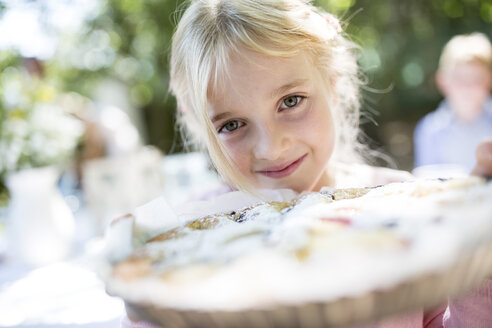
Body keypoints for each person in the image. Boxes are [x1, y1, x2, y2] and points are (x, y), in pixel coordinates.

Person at [122, 1, 492, 327]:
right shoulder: (191, 242)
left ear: (331, 84)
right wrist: (156, 304)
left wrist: (479, 255)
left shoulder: (404, 208)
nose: (271, 147)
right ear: (203, 129)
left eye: (291, 101)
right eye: (232, 125)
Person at [414, 33, 492, 175]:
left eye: (476, 79)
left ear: (489, 81)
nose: (468, 87)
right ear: (442, 81)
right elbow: (425, 183)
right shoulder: (430, 129)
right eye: (459, 78)